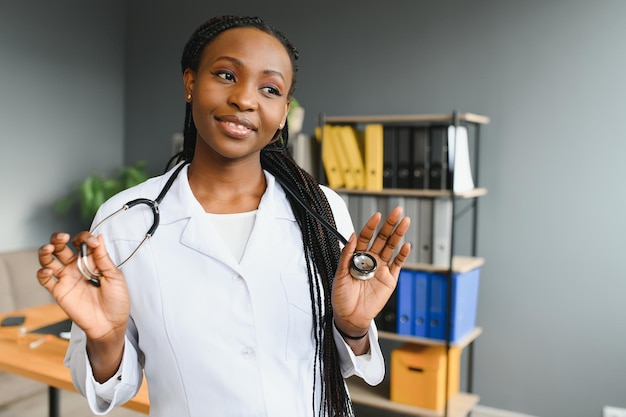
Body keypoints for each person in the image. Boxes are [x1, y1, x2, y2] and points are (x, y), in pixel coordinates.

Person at [37, 15, 411, 417]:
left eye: (269, 89)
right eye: (226, 75)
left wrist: (352, 327)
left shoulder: (321, 210)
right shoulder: (125, 222)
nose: (245, 100)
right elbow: (110, 390)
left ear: (283, 112)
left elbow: (340, 368)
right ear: (190, 83)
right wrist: (108, 340)